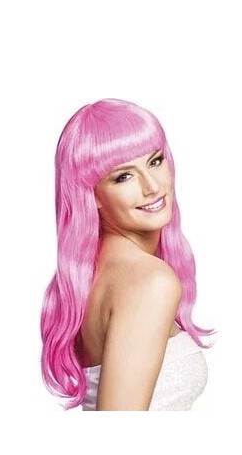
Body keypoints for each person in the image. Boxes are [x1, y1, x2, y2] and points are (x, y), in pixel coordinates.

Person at [40, 98, 216, 411]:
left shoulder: (94, 274)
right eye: (124, 176)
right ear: (91, 193)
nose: (152, 187)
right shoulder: (149, 281)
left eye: (155, 161)